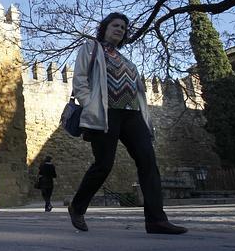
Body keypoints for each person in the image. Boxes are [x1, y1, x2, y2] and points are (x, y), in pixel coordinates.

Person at [67, 12, 187, 235]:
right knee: (103, 164)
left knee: (148, 162)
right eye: (115, 25)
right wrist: (89, 104)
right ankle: (77, 206)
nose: (120, 29)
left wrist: (145, 119)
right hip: (106, 113)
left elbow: (138, 93)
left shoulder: (127, 61)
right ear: (104, 27)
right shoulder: (91, 48)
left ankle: (156, 221)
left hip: (132, 115)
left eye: (123, 27)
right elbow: (80, 78)